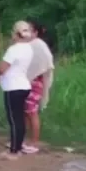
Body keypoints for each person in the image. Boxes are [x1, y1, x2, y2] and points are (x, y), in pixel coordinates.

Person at [0, 21, 34, 160]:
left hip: (13, 87)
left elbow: (2, 68)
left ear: (15, 33)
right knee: (19, 118)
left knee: (14, 120)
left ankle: (14, 151)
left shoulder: (14, 49)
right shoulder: (29, 48)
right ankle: (18, 147)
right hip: (24, 85)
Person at [23, 20, 55, 154]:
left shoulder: (39, 46)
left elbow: (46, 65)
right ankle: (22, 140)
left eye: (29, 30)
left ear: (36, 32)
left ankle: (34, 143)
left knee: (32, 112)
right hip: (24, 82)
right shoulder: (26, 45)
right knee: (24, 112)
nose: (26, 32)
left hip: (35, 83)